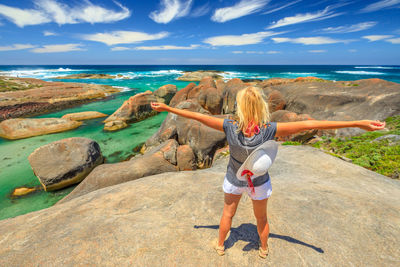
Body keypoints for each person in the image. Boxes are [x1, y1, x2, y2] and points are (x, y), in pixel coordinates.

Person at [150, 86, 386, 259]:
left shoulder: (229, 127)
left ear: (239, 107)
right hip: (259, 181)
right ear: (261, 107)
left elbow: (198, 116)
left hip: (234, 179)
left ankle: (220, 245)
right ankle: (263, 249)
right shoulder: (271, 130)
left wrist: (167, 107)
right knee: (261, 219)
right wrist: (356, 123)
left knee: (228, 214)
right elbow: (311, 125)